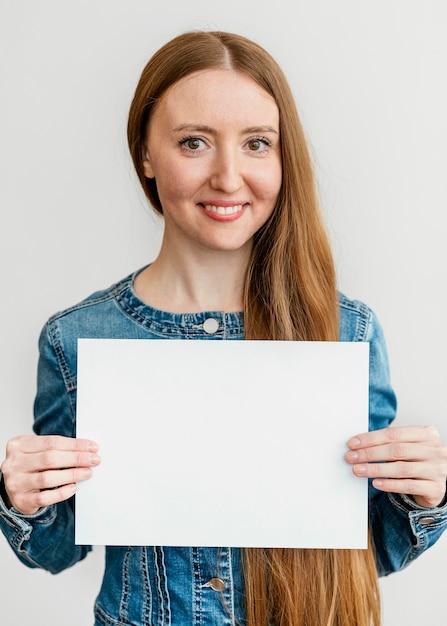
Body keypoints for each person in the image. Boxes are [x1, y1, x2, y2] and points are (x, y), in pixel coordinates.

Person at [0, 30, 446, 626]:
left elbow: (370, 549)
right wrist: (22, 498)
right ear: (146, 155)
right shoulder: (77, 339)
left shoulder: (347, 331)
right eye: (193, 143)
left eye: (258, 143)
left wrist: (423, 494)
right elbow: (57, 548)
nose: (229, 177)